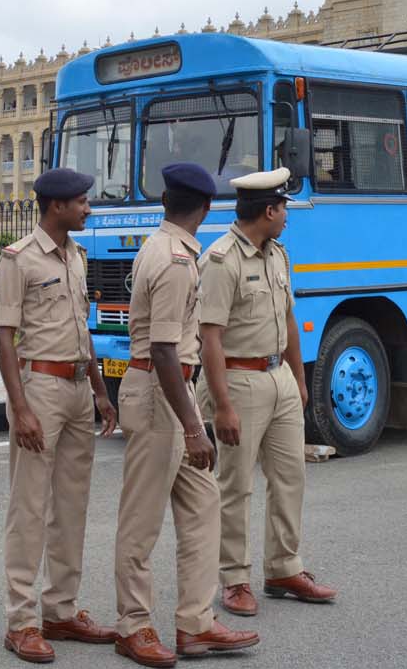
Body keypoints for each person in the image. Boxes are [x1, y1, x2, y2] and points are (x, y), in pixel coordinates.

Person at [113, 162, 258, 666]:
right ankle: (133, 625)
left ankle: (195, 623)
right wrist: (195, 426)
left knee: (202, 506)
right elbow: (163, 350)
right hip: (161, 396)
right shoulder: (175, 260)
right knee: (141, 521)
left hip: (172, 392)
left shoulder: (164, 247)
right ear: (205, 207)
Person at [198, 168, 338, 619]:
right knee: (235, 486)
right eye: (282, 210)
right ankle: (234, 579)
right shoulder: (221, 260)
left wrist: (297, 380)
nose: (286, 218)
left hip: (277, 378)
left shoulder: (277, 254)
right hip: (238, 380)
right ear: (267, 211)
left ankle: (283, 568)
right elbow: (210, 337)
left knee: (290, 477)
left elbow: (289, 319)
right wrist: (221, 405)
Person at [0, 167, 120, 663]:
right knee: (29, 508)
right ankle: (21, 621)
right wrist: (20, 406)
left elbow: (82, 331)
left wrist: (100, 392)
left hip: (75, 389)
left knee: (72, 506)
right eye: (82, 201)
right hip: (40, 388)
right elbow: (5, 337)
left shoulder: (76, 256)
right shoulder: (18, 259)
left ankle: (61, 609)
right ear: (56, 207)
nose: (88, 208)